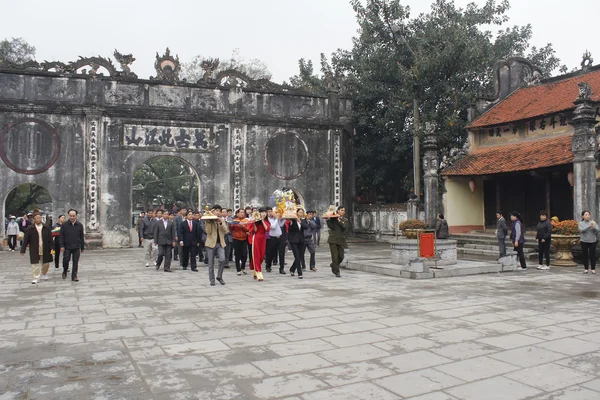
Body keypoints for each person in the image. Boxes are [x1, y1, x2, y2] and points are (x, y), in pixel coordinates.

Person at [20, 212, 54, 284]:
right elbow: (26, 239)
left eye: (40, 218)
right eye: (37, 218)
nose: (38, 219)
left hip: (45, 248)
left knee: (46, 263)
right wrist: (23, 249)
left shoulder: (46, 227)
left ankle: (44, 273)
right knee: (35, 264)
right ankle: (36, 277)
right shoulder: (30, 228)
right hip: (34, 248)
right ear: (34, 219)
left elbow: (50, 238)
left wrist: (52, 247)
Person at [205, 205, 229, 286]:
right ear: (213, 211)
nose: (218, 212)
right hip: (210, 244)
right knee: (211, 263)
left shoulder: (221, 219)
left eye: (219, 211)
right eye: (216, 210)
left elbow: (226, 231)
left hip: (220, 243)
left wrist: (220, 222)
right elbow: (208, 232)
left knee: (222, 259)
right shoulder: (208, 220)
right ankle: (212, 279)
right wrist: (209, 222)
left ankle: (219, 276)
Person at [59, 209, 85, 282]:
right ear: (68, 216)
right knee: (66, 260)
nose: (72, 217)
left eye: (73, 216)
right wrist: (61, 246)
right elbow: (61, 236)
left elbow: (81, 236)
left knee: (75, 262)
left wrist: (82, 247)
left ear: (76, 216)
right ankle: (65, 271)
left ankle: (74, 276)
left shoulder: (79, 225)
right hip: (67, 246)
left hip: (76, 246)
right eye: (70, 216)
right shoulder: (64, 225)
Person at [249, 207, 270, 281]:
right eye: (262, 212)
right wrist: (254, 221)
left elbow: (267, 229)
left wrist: (263, 220)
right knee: (257, 255)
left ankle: (255, 271)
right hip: (257, 238)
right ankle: (259, 273)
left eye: (265, 212)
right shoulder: (257, 221)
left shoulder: (267, 221)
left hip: (263, 239)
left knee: (261, 256)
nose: (264, 213)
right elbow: (255, 230)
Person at [327, 206, 348, 278]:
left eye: (344, 210)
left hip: (341, 240)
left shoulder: (345, 220)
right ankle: (337, 271)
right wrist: (328, 219)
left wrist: (339, 221)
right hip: (333, 239)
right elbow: (331, 227)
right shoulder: (333, 219)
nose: (343, 212)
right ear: (338, 211)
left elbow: (344, 227)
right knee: (335, 257)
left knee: (341, 256)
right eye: (342, 210)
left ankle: (333, 265)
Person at [287, 208, 308, 279]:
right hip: (293, 241)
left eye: (302, 213)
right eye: (299, 212)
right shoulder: (292, 220)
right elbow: (289, 230)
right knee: (297, 256)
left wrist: (300, 222)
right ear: (296, 213)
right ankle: (300, 273)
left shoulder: (303, 220)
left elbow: (306, 227)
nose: (301, 214)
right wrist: (291, 224)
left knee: (300, 256)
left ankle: (292, 269)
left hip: (301, 240)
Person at [230, 208, 250, 275]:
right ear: (237, 213)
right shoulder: (234, 220)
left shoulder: (246, 220)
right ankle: (238, 269)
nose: (242, 213)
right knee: (237, 254)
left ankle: (243, 267)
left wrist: (242, 227)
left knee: (244, 254)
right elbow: (231, 230)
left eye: (243, 212)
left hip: (244, 239)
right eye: (240, 212)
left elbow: (248, 230)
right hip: (236, 239)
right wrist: (231, 225)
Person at [265, 208, 282, 273]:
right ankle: (268, 266)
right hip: (271, 238)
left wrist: (281, 218)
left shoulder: (275, 218)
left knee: (278, 252)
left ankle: (281, 266)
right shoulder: (267, 220)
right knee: (270, 253)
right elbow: (273, 226)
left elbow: (281, 224)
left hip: (279, 237)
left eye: (271, 211)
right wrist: (277, 218)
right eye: (269, 212)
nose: (270, 213)